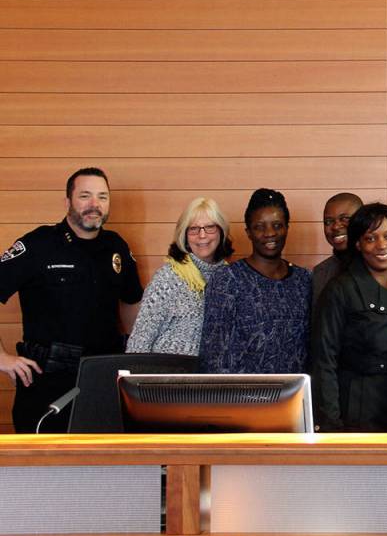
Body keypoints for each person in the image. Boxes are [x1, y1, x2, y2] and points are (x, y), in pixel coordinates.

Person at [0, 167, 143, 432]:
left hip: (103, 379)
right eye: (85, 196)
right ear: (67, 201)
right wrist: (2, 358)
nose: (94, 205)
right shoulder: (38, 245)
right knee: (46, 470)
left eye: (102, 197)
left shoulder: (116, 247)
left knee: (106, 467)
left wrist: (135, 358)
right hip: (47, 381)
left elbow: (132, 301)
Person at [311, 203, 387, 431]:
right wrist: (330, 423)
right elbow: (323, 360)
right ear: (357, 244)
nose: (382, 246)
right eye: (371, 238)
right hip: (358, 406)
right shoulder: (340, 288)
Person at [199, 188, 312, 374]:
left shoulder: (304, 280)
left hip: (292, 397)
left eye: (277, 225)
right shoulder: (227, 280)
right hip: (242, 398)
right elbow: (214, 354)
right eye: (260, 226)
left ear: (287, 228)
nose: (270, 233)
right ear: (248, 232)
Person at [126, 198, 234, 356]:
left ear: (221, 231)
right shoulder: (167, 279)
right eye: (194, 229)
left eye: (210, 227)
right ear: (184, 235)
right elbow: (140, 341)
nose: (202, 235)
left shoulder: (232, 279)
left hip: (212, 376)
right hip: (168, 374)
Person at [312, 192, 363, 306]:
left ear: (362, 220)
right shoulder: (319, 273)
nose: (335, 226)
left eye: (345, 219)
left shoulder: (379, 267)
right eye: (328, 222)